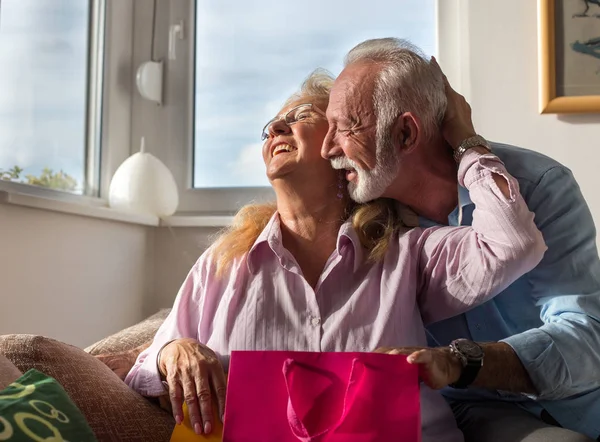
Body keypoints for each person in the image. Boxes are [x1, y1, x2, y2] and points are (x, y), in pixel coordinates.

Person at [125, 69, 545, 441]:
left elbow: (512, 243)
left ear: (339, 145)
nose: (276, 131)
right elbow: (145, 370)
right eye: (271, 126)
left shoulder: (406, 252)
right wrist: (173, 351)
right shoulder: (227, 261)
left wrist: (464, 140)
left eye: (300, 116)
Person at [321, 37, 600, 442]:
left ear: (404, 133)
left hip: (581, 400)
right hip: (470, 412)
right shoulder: (364, 223)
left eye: (345, 128)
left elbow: (587, 336)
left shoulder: (539, 185)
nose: (329, 148)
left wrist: (463, 360)